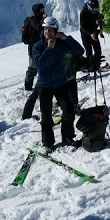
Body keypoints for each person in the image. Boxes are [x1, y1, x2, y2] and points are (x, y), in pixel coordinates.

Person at [31, 16, 86, 149]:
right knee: (46, 116)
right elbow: (40, 65)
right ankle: (48, 143)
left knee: (69, 112)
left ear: (55, 31)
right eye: (45, 29)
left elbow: (80, 51)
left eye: (50, 30)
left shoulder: (62, 43)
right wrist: (49, 49)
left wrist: (67, 39)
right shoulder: (38, 46)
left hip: (61, 83)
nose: (47, 32)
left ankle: (67, 137)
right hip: (44, 85)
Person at [20, 3, 47, 90]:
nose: (43, 11)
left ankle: (46, 84)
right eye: (41, 10)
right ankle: (28, 86)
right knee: (32, 68)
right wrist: (43, 19)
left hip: (41, 47)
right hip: (33, 49)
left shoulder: (39, 19)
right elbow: (38, 27)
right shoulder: (33, 20)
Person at [79, 0, 103, 71]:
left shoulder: (96, 12)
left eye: (97, 9)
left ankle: (97, 65)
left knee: (98, 50)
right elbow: (83, 28)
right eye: (94, 10)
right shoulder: (83, 13)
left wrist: (99, 28)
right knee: (89, 51)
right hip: (85, 34)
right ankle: (89, 66)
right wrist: (90, 34)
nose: (96, 11)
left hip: (93, 31)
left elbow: (99, 21)